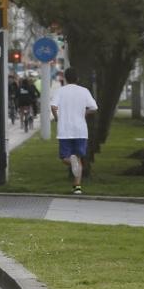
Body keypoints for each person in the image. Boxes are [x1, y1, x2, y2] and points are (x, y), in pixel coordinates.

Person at [50, 66, 98, 194]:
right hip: (80, 130)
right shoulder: (84, 91)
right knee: (77, 158)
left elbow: (53, 107)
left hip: (65, 129)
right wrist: (84, 113)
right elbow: (94, 107)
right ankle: (77, 187)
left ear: (65, 78)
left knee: (66, 158)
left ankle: (72, 166)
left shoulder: (60, 91)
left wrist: (57, 118)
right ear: (77, 78)